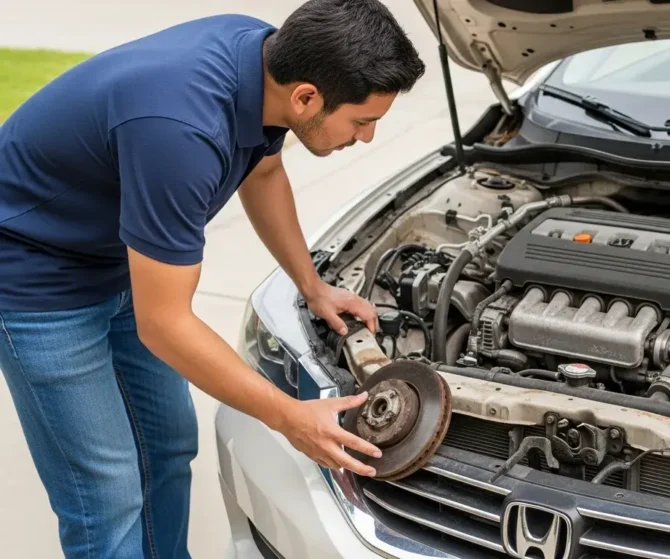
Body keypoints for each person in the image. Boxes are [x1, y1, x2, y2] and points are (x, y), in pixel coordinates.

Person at [0, 0, 425, 556]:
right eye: (362, 120)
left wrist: (312, 285)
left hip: (121, 258)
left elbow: (264, 169)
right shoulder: (181, 132)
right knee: (106, 491)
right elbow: (166, 324)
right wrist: (289, 416)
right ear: (306, 97)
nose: (366, 137)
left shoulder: (263, 55)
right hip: (37, 277)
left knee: (168, 442)